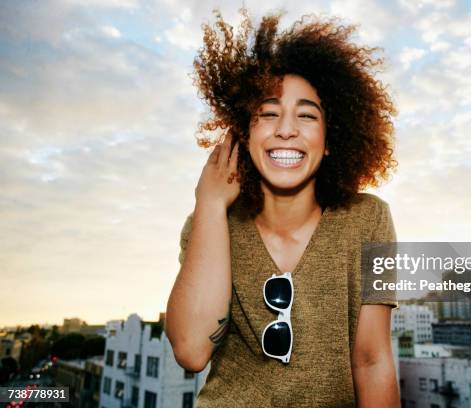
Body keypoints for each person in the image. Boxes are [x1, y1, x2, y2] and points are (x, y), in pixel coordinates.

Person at [166, 9, 399, 407]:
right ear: (244, 131)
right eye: (268, 113)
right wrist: (209, 204)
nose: (286, 129)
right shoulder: (210, 224)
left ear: (330, 139)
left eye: (307, 115)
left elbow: (372, 360)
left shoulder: (368, 220)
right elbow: (191, 351)